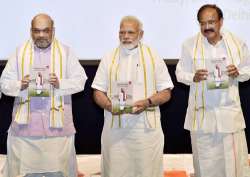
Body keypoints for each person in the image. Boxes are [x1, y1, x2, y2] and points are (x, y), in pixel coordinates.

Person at [0, 13, 87, 177]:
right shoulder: (19, 53)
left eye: (45, 31)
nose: (40, 35)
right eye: (36, 31)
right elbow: (4, 83)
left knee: (58, 173)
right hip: (25, 131)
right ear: (30, 31)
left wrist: (61, 83)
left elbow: (81, 80)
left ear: (53, 31)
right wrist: (20, 84)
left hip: (58, 131)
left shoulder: (66, 52)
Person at [92, 16, 173, 177]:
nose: (126, 36)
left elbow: (166, 92)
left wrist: (148, 102)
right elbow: (97, 91)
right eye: (122, 32)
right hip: (115, 130)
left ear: (141, 34)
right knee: (115, 171)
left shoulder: (153, 56)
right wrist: (108, 106)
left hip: (145, 130)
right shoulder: (109, 58)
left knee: (147, 171)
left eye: (130, 32)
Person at [176, 4, 250, 177]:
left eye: (211, 22)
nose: (207, 27)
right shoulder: (189, 45)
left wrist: (238, 73)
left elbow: (248, 69)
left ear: (221, 22)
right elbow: (180, 73)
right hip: (202, 119)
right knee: (205, 166)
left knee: (234, 167)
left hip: (229, 117)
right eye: (202, 23)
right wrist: (192, 77)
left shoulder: (237, 43)